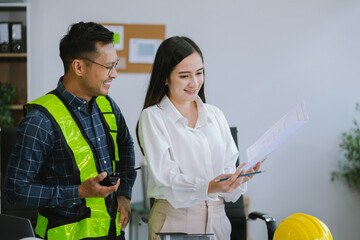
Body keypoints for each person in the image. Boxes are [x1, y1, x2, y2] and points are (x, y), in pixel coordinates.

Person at [4, 22, 136, 240]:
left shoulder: (107, 106)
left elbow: (126, 144)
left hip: (112, 234)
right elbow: (15, 190)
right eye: (108, 66)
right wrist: (79, 192)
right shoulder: (40, 120)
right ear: (79, 67)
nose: (114, 74)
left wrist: (125, 194)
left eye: (116, 64)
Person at [137, 36, 263, 240]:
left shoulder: (215, 115)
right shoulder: (153, 117)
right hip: (175, 220)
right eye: (184, 75)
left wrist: (238, 179)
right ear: (166, 77)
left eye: (199, 72)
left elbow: (227, 170)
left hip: (218, 220)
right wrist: (210, 186)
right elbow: (167, 178)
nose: (194, 82)